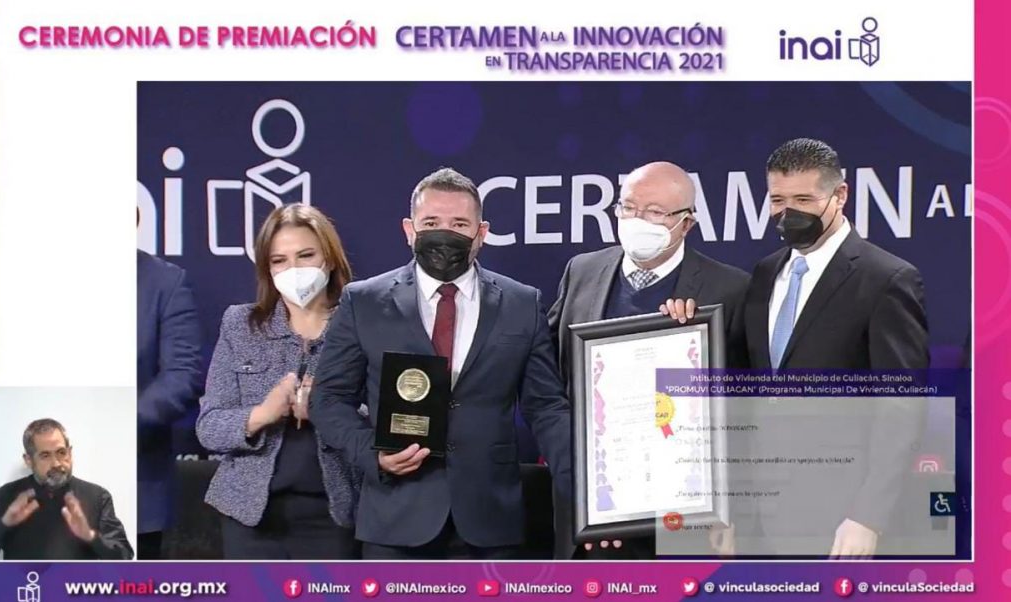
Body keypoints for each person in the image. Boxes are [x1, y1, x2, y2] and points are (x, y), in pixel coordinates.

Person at [664, 138, 929, 558]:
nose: (789, 212)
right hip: (760, 515)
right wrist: (729, 509)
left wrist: (868, 516)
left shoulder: (886, 279)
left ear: (840, 195)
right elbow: (745, 394)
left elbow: (902, 408)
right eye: (778, 200)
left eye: (804, 199)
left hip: (842, 517)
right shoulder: (765, 274)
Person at [309, 167, 572, 560]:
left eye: (459, 224)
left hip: (489, 520)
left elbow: (546, 407)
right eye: (431, 223)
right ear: (409, 229)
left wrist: (588, 495)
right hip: (395, 519)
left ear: (481, 233)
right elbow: (329, 399)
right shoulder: (363, 301)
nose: (444, 234)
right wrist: (373, 455)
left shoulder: (522, 303)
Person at [548, 161, 750, 560]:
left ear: (686, 224)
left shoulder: (731, 289)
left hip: (687, 518)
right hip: (593, 513)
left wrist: (731, 508)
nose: (637, 220)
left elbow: (747, 407)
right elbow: (552, 377)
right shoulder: (582, 271)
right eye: (628, 207)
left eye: (655, 212)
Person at [195, 204, 362, 560]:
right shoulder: (241, 325)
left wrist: (328, 411)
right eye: (279, 260)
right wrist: (262, 414)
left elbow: (386, 422)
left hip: (334, 516)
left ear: (330, 259)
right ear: (267, 268)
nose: (293, 269)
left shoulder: (362, 326)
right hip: (250, 518)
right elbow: (209, 427)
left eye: (306, 256)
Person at [0, 419, 133, 560]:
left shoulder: (97, 496)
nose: (56, 463)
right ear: (28, 460)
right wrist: (3, 524)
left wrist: (90, 536)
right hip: (26, 586)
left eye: (61, 452)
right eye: (45, 455)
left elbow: (124, 556)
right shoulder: (5, 496)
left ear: (70, 453)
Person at [137, 248, 204, 560]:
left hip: (134, 483)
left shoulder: (164, 281)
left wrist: (116, 427)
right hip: (32, 483)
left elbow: (182, 374)